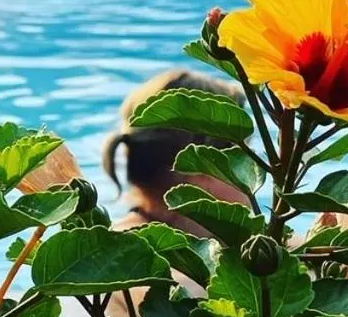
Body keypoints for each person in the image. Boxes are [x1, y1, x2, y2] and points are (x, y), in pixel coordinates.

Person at [101, 68, 249, 235]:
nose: (254, 170)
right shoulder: (133, 251)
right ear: (207, 167)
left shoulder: (119, 246)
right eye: (244, 158)